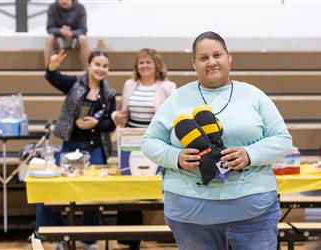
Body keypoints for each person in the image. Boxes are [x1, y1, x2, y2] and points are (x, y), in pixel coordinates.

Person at [142, 31, 293, 250]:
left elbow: (282, 139)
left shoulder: (254, 95)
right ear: (194, 63)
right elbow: (150, 141)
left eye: (217, 55)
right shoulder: (176, 99)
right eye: (203, 58)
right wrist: (176, 156)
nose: (211, 62)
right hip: (192, 217)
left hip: (253, 214)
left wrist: (249, 154)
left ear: (229, 57)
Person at [36, 49, 116, 250]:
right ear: (89, 65)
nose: (101, 69)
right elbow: (52, 76)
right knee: (53, 191)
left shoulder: (109, 94)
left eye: (105, 66)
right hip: (70, 147)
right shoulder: (74, 84)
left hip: (96, 149)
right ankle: (56, 238)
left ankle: (88, 240)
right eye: (97, 64)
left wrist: (95, 123)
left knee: (92, 194)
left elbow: (111, 125)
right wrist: (53, 64)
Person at [112, 48, 176, 250]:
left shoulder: (167, 86)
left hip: (155, 141)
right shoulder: (129, 84)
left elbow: (173, 114)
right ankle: (130, 242)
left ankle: (167, 234)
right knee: (130, 190)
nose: (145, 66)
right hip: (130, 141)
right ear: (136, 67)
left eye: (149, 62)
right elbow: (122, 113)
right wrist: (117, 117)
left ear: (156, 65)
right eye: (141, 63)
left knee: (154, 188)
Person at [44, 0, 90, 70]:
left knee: (84, 39)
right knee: (49, 38)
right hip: (58, 39)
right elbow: (50, 28)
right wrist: (60, 31)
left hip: (75, 39)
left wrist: (72, 33)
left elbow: (83, 29)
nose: (64, 1)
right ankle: (49, 70)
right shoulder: (52, 7)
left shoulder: (80, 8)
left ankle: (87, 71)